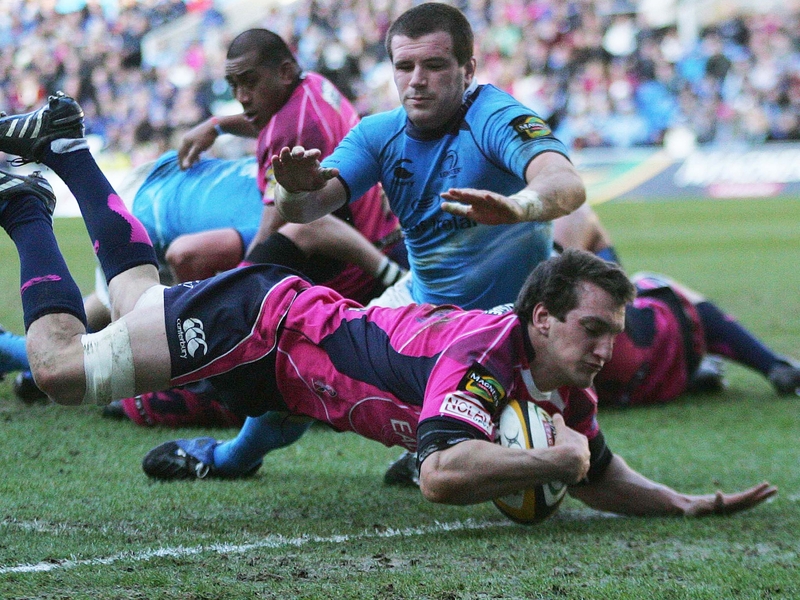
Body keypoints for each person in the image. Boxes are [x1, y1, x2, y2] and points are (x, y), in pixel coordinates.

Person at [0, 106, 776, 516]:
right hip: (262, 328)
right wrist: (550, 463)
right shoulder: (485, 357)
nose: (606, 347)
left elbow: (598, 472)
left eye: (611, 332)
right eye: (593, 328)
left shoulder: (562, 386)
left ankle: (69, 149)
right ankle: (27, 205)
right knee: (62, 371)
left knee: (139, 301)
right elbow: (440, 474)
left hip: (279, 367)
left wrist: (689, 504)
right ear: (541, 319)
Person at [156, 1, 588, 475]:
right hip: (422, 307)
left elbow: (565, 183)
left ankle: (434, 445)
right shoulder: (378, 133)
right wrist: (293, 191)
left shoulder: (496, 118)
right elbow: (308, 210)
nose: (417, 80)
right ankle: (231, 458)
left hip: (509, 321)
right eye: (405, 66)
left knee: (546, 424)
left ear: (468, 70)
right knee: (305, 359)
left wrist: (518, 207)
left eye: (434, 65)